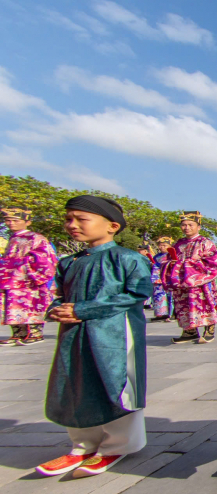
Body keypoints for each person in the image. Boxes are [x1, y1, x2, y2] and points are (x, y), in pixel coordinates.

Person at [35, 196, 151, 477]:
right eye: (68, 219)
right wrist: (56, 310)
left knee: (116, 383)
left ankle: (117, 445)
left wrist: (85, 309)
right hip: (74, 335)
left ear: (112, 226)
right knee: (74, 382)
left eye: (81, 219)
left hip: (115, 334)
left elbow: (138, 293)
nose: (72, 224)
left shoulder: (127, 258)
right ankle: (82, 444)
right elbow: (58, 295)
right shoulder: (69, 262)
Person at [161, 212, 217, 344]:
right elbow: (169, 260)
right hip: (183, 282)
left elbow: (214, 263)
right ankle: (190, 331)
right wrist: (171, 264)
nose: (186, 227)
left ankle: (209, 330)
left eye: (190, 224)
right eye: (183, 225)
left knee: (204, 304)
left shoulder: (205, 242)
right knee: (184, 305)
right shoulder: (178, 244)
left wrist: (188, 264)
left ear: (198, 226)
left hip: (201, 283)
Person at [0, 207, 58, 346]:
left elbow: (45, 257)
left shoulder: (35, 238)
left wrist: (22, 265)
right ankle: (18, 333)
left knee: (31, 304)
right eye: (8, 220)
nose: (10, 223)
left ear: (27, 222)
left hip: (28, 279)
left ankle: (35, 333)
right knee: (12, 305)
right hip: (10, 279)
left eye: (15, 220)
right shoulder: (13, 238)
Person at [150, 236, 174, 322]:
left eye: (164, 245)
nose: (162, 247)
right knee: (158, 297)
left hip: (167, 279)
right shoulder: (156, 256)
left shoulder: (171, 255)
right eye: (160, 245)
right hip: (157, 279)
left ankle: (170, 314)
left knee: (169, 297)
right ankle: (160, 314)